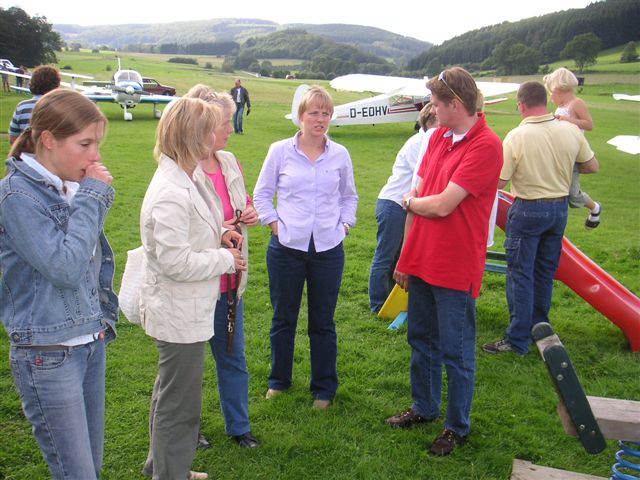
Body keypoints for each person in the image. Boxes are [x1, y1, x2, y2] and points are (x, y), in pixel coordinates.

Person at [0, 89, 117, 479]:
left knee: (91, 469)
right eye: (85, 144)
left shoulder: (69, 187)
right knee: (77, 473)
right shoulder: (16, 196)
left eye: (97, 144)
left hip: (89, 342)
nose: (94, 155)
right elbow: (65, 268)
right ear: (48, 139)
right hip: (48, 354)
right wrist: (92, 197)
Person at [386, 67, 503, 456]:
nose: (431, 109)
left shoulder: (486, 145)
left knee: (456, 349)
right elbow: (420, 192)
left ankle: (456, 426)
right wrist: (406, 257)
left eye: (436, 103)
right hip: (422, 259)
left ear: (455, 104)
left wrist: (411, 202)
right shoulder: (437, 137)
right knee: (420, 338)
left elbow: (440, 205)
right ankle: (424, 407)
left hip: (455, 266)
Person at [139, 97, 246, 480]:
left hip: (187, 307)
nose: (216, 135)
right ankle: (170, 473)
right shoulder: (172, 189)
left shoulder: (189, 175)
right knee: (179, 403)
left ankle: (162, 466)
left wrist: (220, 232)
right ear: (191, 136)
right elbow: (175, 261)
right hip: (178, 311)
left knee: (170, 391)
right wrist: (225, 259)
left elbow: (193, 226)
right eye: (209, 129)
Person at [253, 85, 358, 410]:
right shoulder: (279, 151)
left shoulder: (340, 154)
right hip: (286, 248)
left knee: (323, 322)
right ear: (301, 115)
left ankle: (324, 389)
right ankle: (278, 381)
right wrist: (274, 225)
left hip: (328, 248)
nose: (320, 119)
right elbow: (262, 194)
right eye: (314, 113)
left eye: (326, 113)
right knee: (283, 318)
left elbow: (349, 196)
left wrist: (344, 225)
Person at [482, 82, 599, 356]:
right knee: (544, 273)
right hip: (559, 209)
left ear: (521, 105)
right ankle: (540, 329)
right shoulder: (570, 130)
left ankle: (517, 339)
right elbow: (592, 165)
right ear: (545, 102)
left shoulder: (517, 136)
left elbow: (500, 181)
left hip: (528, 208)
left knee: (520, 274)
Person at [185, 85, 261, 449]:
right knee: (189, 364)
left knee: (233, 355)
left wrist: (250, 212)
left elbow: (243, 201)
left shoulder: (229, 161)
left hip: (230, 280)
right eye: (225, 122)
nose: (231, 128)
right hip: (196, 283)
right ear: (203, 125)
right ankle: (187, 429)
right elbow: (185, 227)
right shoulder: (183, 169)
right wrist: (219, 229)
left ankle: (239, 427)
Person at [368, 103, 437, 313]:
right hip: (394, 203)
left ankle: (391, 302)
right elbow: (426, 175)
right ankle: (378, 304)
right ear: (430, 123)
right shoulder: (420, 143)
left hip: (402, 204)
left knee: (397, 257)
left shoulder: (424, 141)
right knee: (386, 256)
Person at [544, 67, 602, 229]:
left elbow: (589, 124)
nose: (551, 98)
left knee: (573, 196)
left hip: (574, 151)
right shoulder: (561, 106)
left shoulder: (576, 104)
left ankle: (595, 207)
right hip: (561, 152)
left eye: (552, 93)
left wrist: (566, 119)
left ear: (560, 89)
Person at [9, 65, 61, 144]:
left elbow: (13, 138)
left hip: (26, 150)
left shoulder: (22, 107)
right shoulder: (62, 107)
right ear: (56, 84)